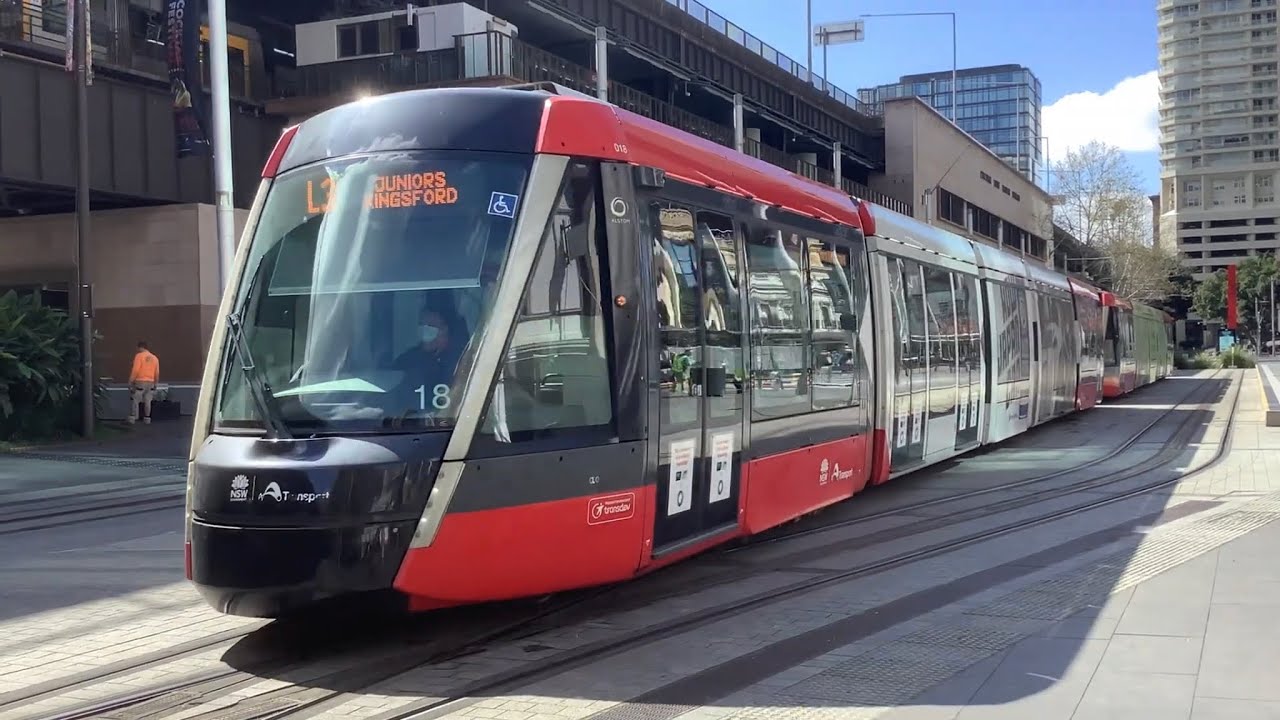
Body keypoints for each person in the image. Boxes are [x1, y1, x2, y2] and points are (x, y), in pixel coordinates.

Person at [392, 305, 465, 415]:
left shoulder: (462, 360)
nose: (425, 330)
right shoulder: (406, 361)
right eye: (422, 325)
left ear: (445, 329)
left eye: (431, 326)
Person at [128, 341, 160, 424]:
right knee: (148, 400)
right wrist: (156, 383)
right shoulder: (155, 358)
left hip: (140, 381)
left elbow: (135, 370)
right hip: (151, 382)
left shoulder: (139, 356)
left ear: (140, 347)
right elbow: (157, 373)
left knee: (135, 399)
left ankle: (133, 417)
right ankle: (147, 418)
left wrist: (131, 381)